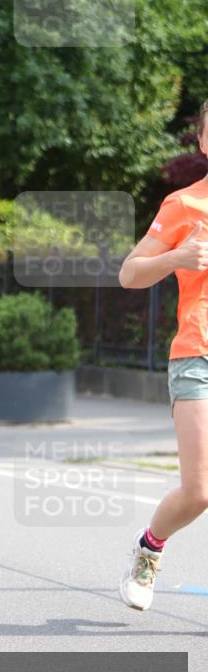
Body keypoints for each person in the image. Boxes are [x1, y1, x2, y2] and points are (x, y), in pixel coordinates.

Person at [118, 99, 208, 610]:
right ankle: (150, 546)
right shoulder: (183, 204)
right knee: (199, 492)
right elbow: (129, 274)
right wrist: (177, 256)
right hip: (198, 354)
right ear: (202, 140)